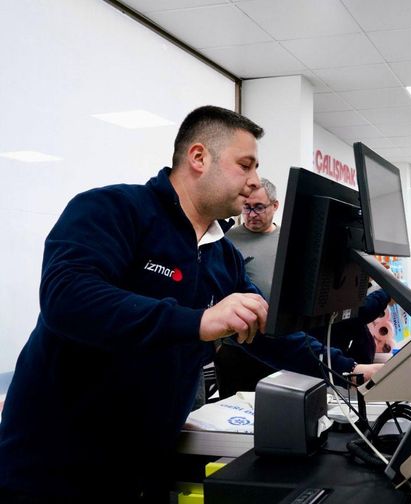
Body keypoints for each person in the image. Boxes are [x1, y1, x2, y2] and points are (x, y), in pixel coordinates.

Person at [0, 106, 372, 503]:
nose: (252, 183)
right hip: (53, 465)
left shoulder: (222, 255)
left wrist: (347, 370)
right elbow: (67, 298)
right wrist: (198, 322)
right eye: (244, 166)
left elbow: (267, 330)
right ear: (198, 158)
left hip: (142, 465)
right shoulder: (114, 209)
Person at [215, 178, 383, 398]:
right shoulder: (226, 241)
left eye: (259, 207)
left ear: (275, 206)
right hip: (238, 349)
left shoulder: (292, 241)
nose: (252, 214)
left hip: (282, 345)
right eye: (247, 207)